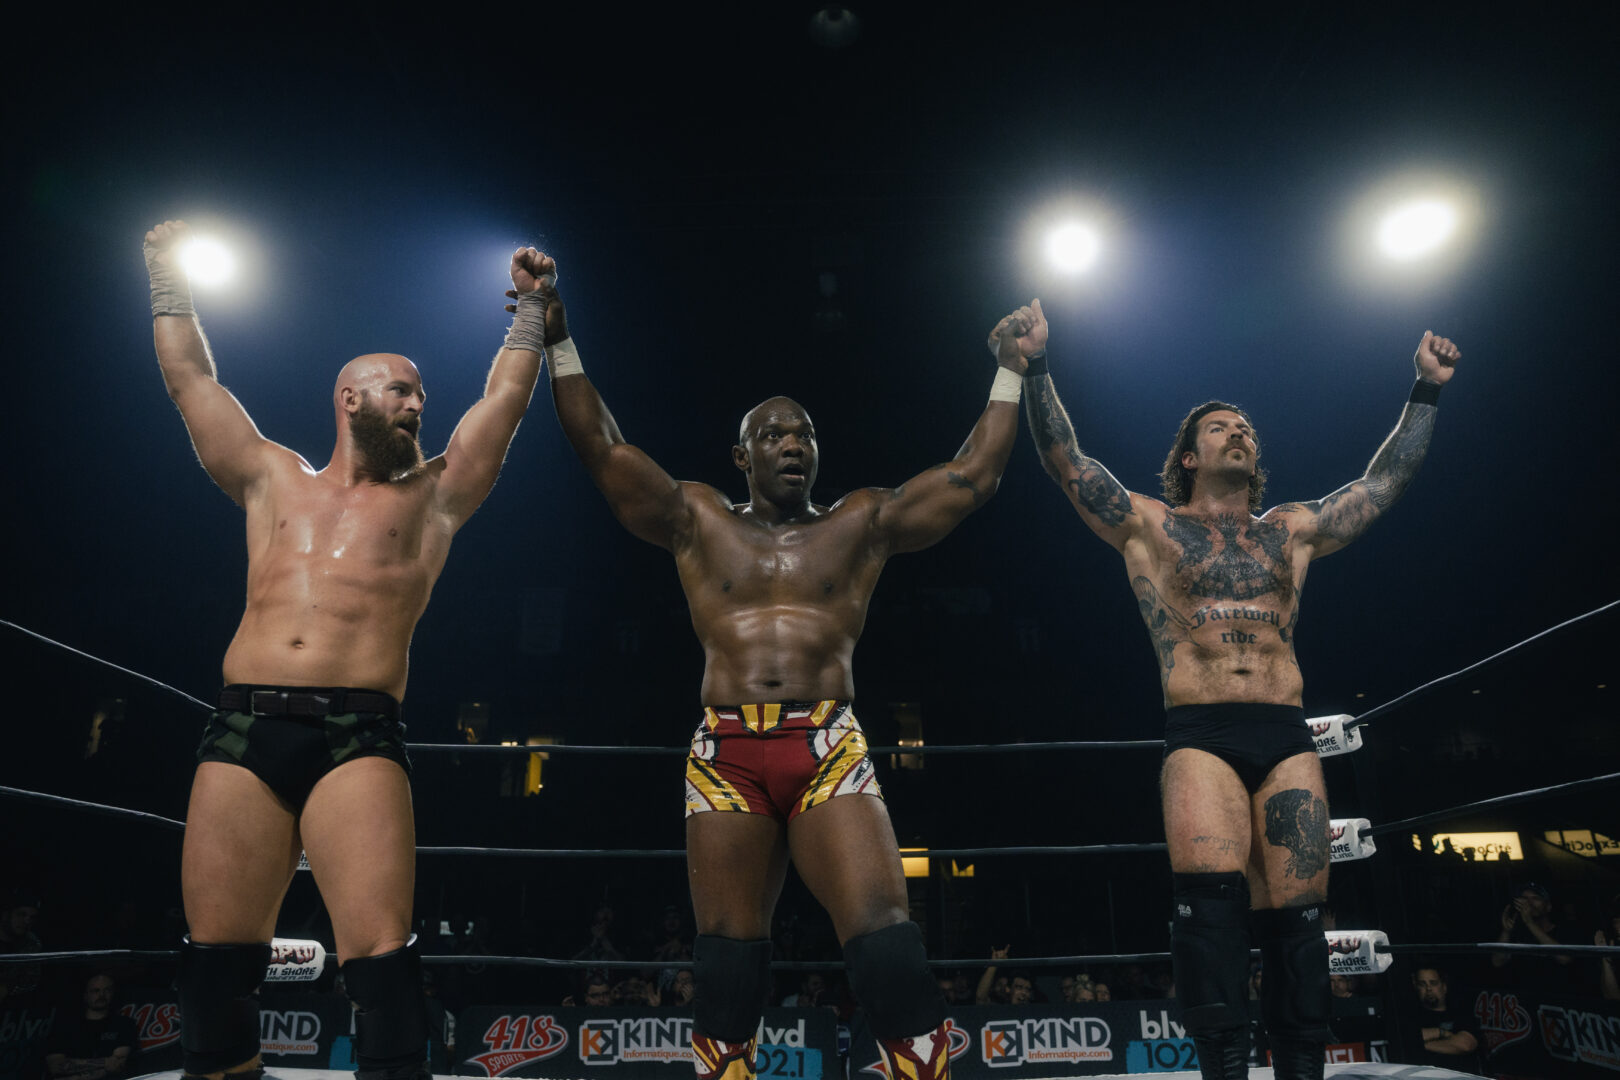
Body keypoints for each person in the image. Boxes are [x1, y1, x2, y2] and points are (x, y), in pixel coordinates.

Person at [546, 273, 1036, 1080]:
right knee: (728, 958)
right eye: (772, 435)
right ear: (742, 455)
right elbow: (602, 449)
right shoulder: (696, 518)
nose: (791, 445)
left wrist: (1012, 367)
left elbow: (972, 479)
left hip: (826, 740)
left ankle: (917, 1064)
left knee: (883, 935)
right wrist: (554, 334)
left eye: (803, 434)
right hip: (726, 750)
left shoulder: (861, 523)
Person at [142, 220, 552, 1080]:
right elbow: (190, 379)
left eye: (421, 396)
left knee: (382, 972)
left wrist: (529, 315)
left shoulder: (432, 499)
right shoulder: (271, 477)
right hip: (242, 727)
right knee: (213, 970)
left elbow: (502, 409)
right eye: (402, 390)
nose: (417, 403)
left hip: (357, 738)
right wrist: (166, 275)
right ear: (351, 398)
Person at [1022, 308, 1461, 1080]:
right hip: (1201, 733)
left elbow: (1382, 483)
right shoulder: (1151, 527)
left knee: (1298, 922)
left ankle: (1300, 1072)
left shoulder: (1289, 530)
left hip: (1286, 733)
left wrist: (1424, 391)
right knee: (1211, 914)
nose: (1239, 432)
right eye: (1221, 427)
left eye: (1247, 426)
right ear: (1189, 456)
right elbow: (1068, 462)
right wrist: (1035, 368)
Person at [44, 973, 139, 1080]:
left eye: (107, 990)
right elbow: (56, 1066)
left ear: (113, 993)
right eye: (95, 990)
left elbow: (117, 1065)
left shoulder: (124, 1024)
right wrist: (105, 1062)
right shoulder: (64, 1026)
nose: (102, 995)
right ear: (85, 995)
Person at [1402, 966, 1480, 1073]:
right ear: (1416, 987)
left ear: (1444, 986)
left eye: (1433, 983)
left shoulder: (1460, 1013)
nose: (1428, 989)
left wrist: (1420, 1045)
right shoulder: (1411, 1016)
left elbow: (1466, 1045)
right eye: (1422, 984)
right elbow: (1404, 1039)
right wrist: (1441, 1033)